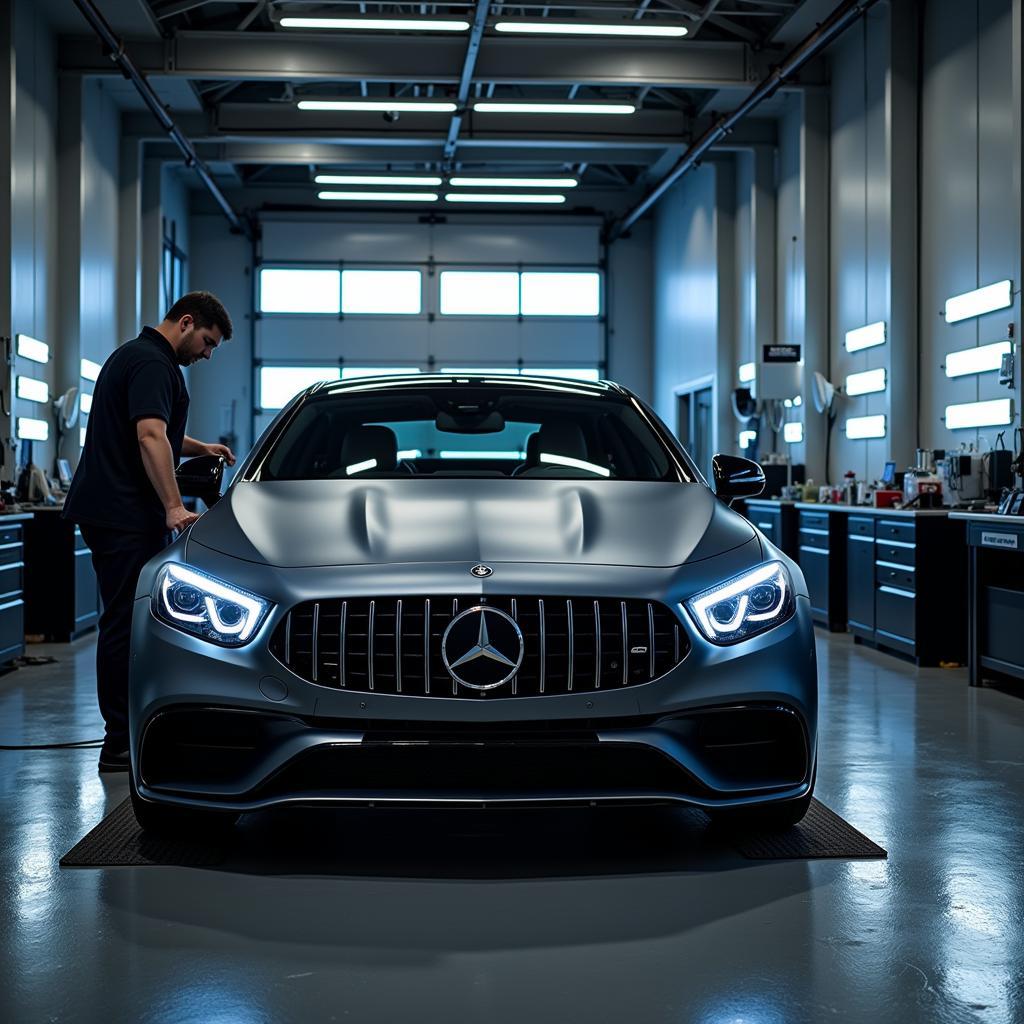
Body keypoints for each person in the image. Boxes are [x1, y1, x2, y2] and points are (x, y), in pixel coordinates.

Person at [63, 292, 236, 772]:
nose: (206, 354)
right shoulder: (153, 363)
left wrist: (200, 446)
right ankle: (118, 742)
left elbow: (152, 426)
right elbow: (148, 436)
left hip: (113, 511)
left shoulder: (137, 356)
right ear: (186, 322)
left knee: (130, 620)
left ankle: (126, 733)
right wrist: (174, 506)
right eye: (207, 342)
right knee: (124, 623)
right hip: (122, 515)